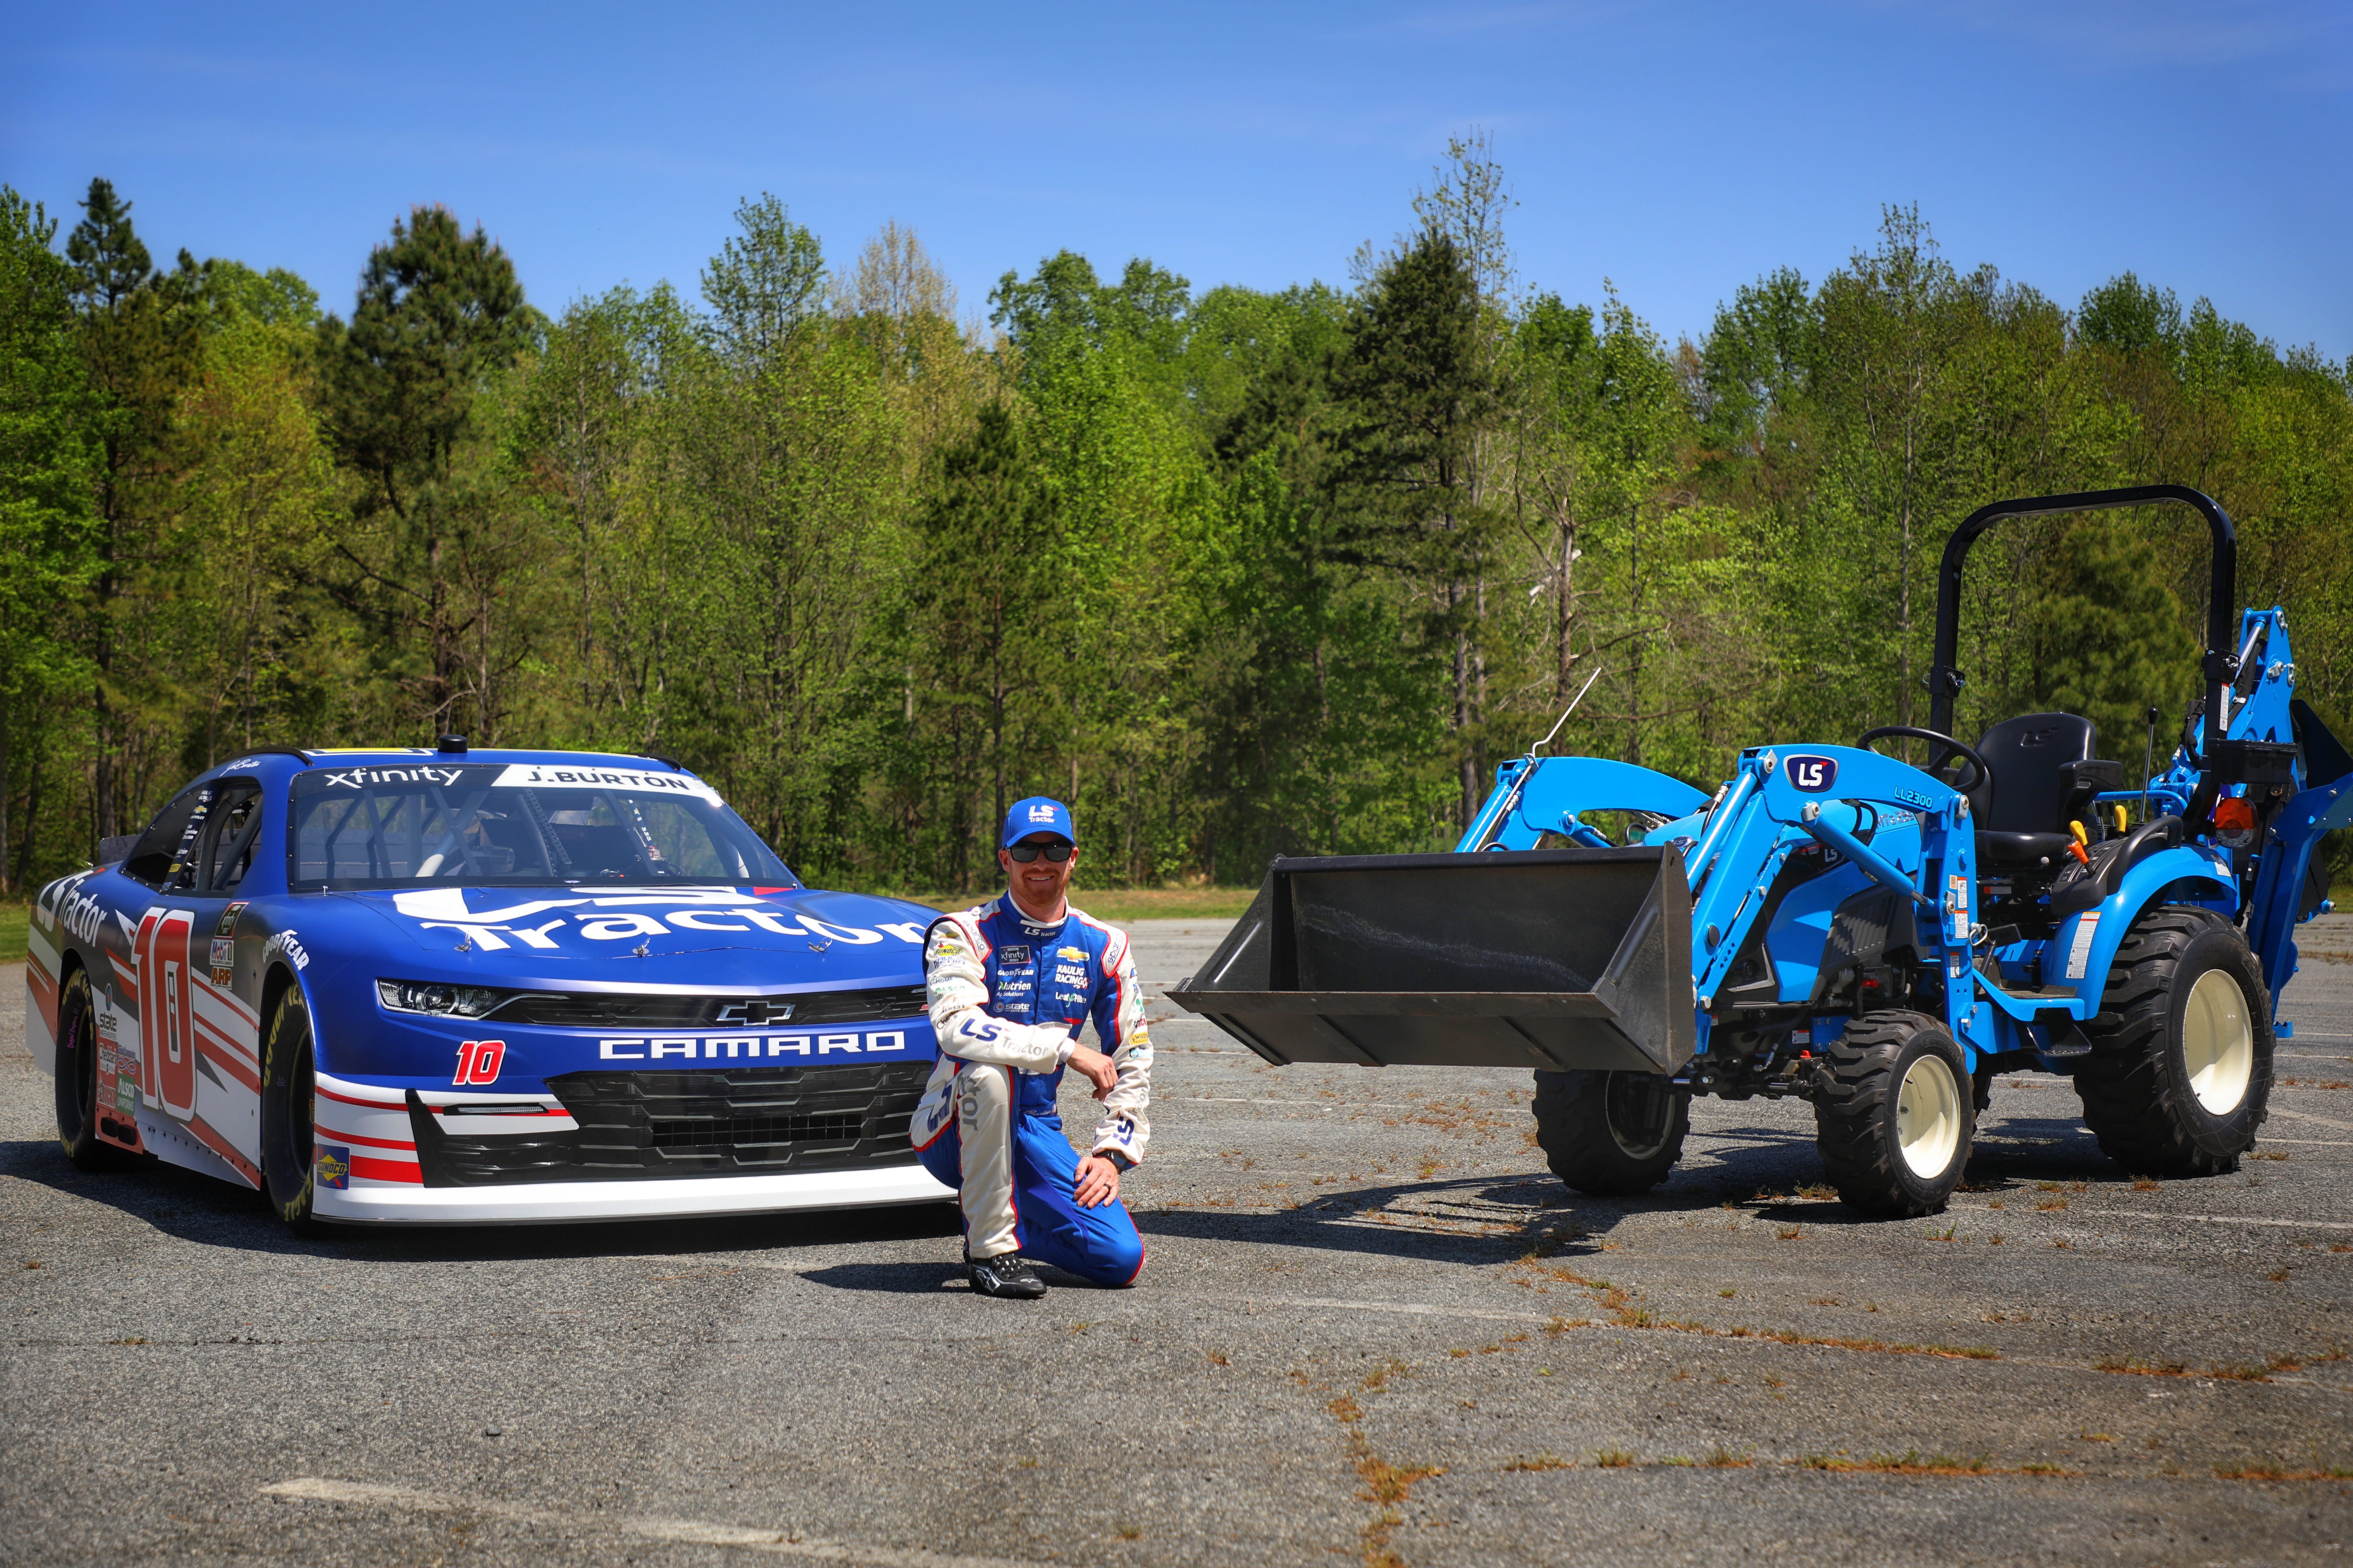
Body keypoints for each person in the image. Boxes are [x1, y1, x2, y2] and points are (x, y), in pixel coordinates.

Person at [912, 796, 1152, 1298]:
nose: (1041, 862)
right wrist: (1065, 1049)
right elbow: (956, 1027)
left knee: (1120, 1259)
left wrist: (1112, 1152)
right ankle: (990, 1253)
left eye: (1054, 849)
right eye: (1026, 851)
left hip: (1035, 1126)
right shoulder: (962, 932)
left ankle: (997, 1216)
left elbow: (1133, 1057)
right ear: (1005, 859)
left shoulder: (1105, 945)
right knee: (987, 1074)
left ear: (1073, 857)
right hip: (953, 1118)